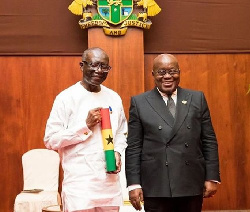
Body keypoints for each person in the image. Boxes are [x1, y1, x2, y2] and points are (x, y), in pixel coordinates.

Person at [125, 54, 220, 212]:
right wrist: (134, 184)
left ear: (179, 72)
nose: (167, 76)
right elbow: (134, 146)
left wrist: (211, 176)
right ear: (153, 74)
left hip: (190, 181)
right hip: (156, 184)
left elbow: (209, 140)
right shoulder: (140, 102)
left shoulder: (197, 98)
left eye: (172, 71)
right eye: (161, 72)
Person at [44, 47, 128, 212]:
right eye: (94, 65)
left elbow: (121, 132)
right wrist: (85, 126)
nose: (99, 70)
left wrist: (117, 151)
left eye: (104, 67)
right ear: (82, 66)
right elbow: (50, 140)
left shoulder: (114, 97)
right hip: (80, 185)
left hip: (109, 184)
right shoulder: (66, 98)